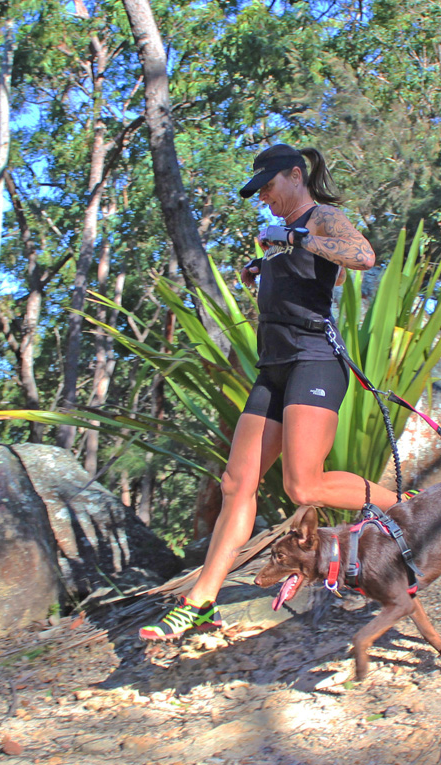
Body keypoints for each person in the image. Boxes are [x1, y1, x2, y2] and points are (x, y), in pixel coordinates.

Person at [139, 144, 401, 641]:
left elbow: (362, 256)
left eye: (268, 186)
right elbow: (312, 277)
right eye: (259, 191)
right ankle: (200, 601)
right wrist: (265, 271)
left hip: (314, 362)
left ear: (295, 176)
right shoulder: (282, 236)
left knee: (304, 486)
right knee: (236, 484)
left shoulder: (320, 217)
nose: (264, 197)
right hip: (274, 367)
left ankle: (407, 507)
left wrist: (296, 236)